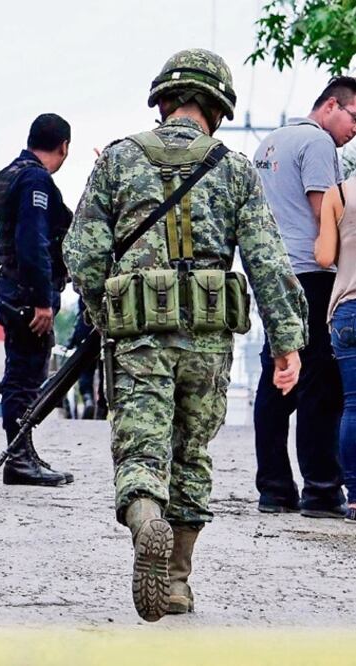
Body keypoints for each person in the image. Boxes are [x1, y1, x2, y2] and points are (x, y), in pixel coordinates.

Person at [66, 49, 307, 622]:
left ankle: (147, 519)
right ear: (217, 108)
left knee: (142, 448)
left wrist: (111, 315)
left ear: (163, 101)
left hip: (140, 339)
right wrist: (286, 342)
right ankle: (176, 581)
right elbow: (269, 262)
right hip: (206, 342)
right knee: (192, 454)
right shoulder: (234, 168)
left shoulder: (119, 160)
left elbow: (82, 255)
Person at [252, 77, 356, 518]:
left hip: (273, 272)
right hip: (312, 275)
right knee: (321, 384)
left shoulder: (269, 144)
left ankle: (274, 488)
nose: (354, 130)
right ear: (331, 105)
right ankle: (321, 489)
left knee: (276, 377)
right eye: (354, 117)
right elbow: (324, 215)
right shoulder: (317, 144)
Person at [0, 113, 74, 486]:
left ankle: (23, 452)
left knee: (21, 374)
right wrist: (44, 300)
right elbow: (33, 241)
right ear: (64, 147)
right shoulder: (36, 179)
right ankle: (20, 459)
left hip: (11, 287)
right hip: (27, 295)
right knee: (25, 379)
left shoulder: (9, 174)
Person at [314, 176, 356, 522]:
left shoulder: (338, 193)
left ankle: (355, 498)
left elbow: (325, 256)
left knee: (353, 406)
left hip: (348, 309)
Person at [68, 297, 106, 420]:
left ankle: (88, 398)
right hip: (108, 325)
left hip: (87, 325)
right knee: (104, 370)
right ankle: (102, 408)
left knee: (85, 369)